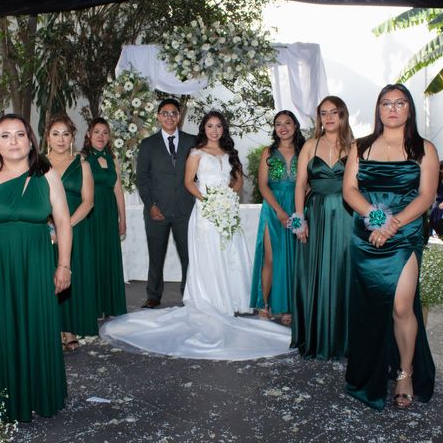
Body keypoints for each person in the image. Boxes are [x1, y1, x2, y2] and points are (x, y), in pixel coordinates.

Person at [100, 111, 292, 360]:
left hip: (226, 210)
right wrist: (209, 200)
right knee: (208, 255)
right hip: (205, 213)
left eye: (219, 126)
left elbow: (236, 181)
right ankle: (209, 300)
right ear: (204, 129)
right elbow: (189, 182)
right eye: (210, 126)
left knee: (228, 253)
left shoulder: (229, 154)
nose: (214, 130)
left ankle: (230, 300)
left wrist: (229, 197)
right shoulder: (196, 153)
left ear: (224, 129)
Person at [0, 113, 72, 422]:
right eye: (6, 136)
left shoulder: (47, 175)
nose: (13, 141)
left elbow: (63, 222)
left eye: (19, 134)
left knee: (35, 323)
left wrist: (64, 266)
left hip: (35, 266)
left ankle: (37, 393)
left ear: (30, 140)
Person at [343, 84, 438, 410]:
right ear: (378, 109)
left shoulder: (424, 149)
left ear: (409, 109)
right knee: (369, 309)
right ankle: (369, 370)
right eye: (386, 103)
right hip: (367, 236)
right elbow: (350, 191)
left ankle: (405, 372)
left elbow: (426, 196)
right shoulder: (360, 147)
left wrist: (392, 224)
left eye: (400, 103)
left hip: (405, 234)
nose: (393, 109)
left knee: (401, 306)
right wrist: (376, 217)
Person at [291, 96, 354, 360]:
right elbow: (299, 185)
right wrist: (298, 220)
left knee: (344, 272)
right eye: (323, 113)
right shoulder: (309, 145)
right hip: (314, 213)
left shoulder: (355, 146)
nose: (328, 118)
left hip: (346, 215)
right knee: (312, 272)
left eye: (334, 112)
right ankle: (315, 337)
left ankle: (344, 340)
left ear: (342, 116)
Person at [136, 98, 196, 308]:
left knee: (189, 257)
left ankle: (189, 294)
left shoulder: (193, 141)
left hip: (186, 210)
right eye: (165, 113)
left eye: (173, 113)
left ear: (179, 117)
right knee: (156, 256)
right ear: (158, 116)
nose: (169, 117)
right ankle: (153, 295)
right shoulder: (148, 144)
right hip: (156, 211)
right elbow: (142, 179)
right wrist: (151, 205)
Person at [250, 111, 305, 325]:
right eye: (278, 124)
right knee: (271, 259)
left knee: (293, 259)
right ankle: (264, 304)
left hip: (297, 205)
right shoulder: (268, 152)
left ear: (295, 125)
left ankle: (287, 308)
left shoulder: (304, 151)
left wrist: (300, 210)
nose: (283, 127)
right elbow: (263, 185)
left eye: (287, 123)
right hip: (273, 208)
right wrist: (279, 211)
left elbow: (308, 183)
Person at [45, 115, 95, 349]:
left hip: (76, 227)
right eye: (55, 134)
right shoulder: (38, 164)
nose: (61, 139)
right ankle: (53, 327)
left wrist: (66, 226)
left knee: (72, 277)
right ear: (48, 138)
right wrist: (51, 227)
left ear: (72, 138)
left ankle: (71, 328)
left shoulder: (82, 163)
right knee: (49, 278)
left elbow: (88, 202)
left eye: (65, 134)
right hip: (46, 229)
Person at [84, 117, 127, 317]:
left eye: (105, 132)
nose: (101, 136)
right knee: (93, 257)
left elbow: (118, 190)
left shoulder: (112, 158)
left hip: (109, 213)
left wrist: (122, 218)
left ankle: (110, 305)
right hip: (90, 213)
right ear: (89, 135)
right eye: (97, 132)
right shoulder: (82, 158)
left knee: (109, 256)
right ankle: (93, 306)